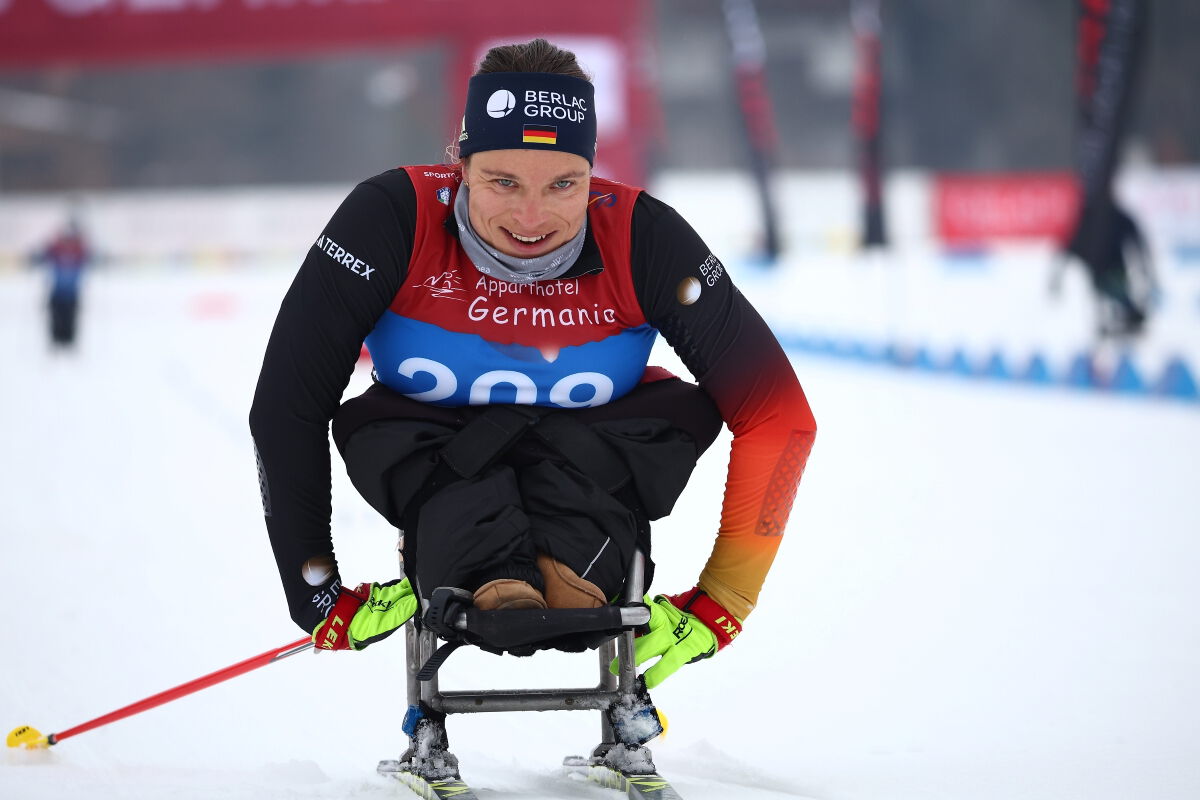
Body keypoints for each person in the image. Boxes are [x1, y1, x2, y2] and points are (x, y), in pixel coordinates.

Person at [250, 39, 816, 690]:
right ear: (460, 163)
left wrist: (723, 604)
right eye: (502, 182)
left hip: (590, 465)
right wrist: (316, 591)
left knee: (576, 606)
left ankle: (555, 581)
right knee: (490, 594)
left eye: (563, 185)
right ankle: (490, 581)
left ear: (591, 173)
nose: (530, 216)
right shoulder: (391, 219)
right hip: (439, 460)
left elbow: (779, 416)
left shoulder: (643, 236)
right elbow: (288, 405)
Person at [33, 214, 92, 351]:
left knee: (70, 318)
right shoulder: (56, 248)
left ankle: (69, 342)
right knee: (56, 318)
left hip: (72, 292)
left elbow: (91, 257)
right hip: (57, 291)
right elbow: (41, 256)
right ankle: (56, 342)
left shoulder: (79, 250)